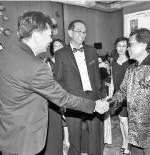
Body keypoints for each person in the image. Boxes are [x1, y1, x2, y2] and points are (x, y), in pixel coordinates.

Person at [0, 11, 108, 155]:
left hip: (7, 135)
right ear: (37, 36)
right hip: (27, 141)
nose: (51, 40)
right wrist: (94, 105)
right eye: (49, 35)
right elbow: (62, 98)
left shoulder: (4, 54)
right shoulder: (36, 66)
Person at [107, 28, 150, 155]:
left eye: (131, 44)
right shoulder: (131, 68)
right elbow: (122, 92)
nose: (128, 48)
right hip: (134, 132)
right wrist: (108, 103)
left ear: (143, 45)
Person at [54, 20, 105, 155]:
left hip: (92, 98)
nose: (82, 35)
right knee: (74, 136)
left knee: (95, 136)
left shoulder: (92, 51)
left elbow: (96, 77)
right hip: (73, 100)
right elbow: (59, 80)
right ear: (70, 33)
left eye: (84, 32)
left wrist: (100, 97)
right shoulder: (61, 53)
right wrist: (63, 104)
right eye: (78, 31)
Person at [43, 39, 69, 155]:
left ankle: (67, 141)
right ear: (52, 49)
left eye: (60, 45)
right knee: (60, 117)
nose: (57, 47)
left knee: (67, 117)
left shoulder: (68, 60)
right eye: (55, 46)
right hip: (55, 94)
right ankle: (62, 143)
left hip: (67, 91)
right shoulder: (48, 62)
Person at [111, 37, 131, 155]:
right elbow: (113, 80)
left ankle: (128, 145)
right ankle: (124, 142)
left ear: (128, 47)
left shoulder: (130, 62)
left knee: (124, 120)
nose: (121, 48)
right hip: (117, 95)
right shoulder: (114, 62)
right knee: (121, 120)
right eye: (119, 45)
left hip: (127, 96)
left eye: (124, 46)